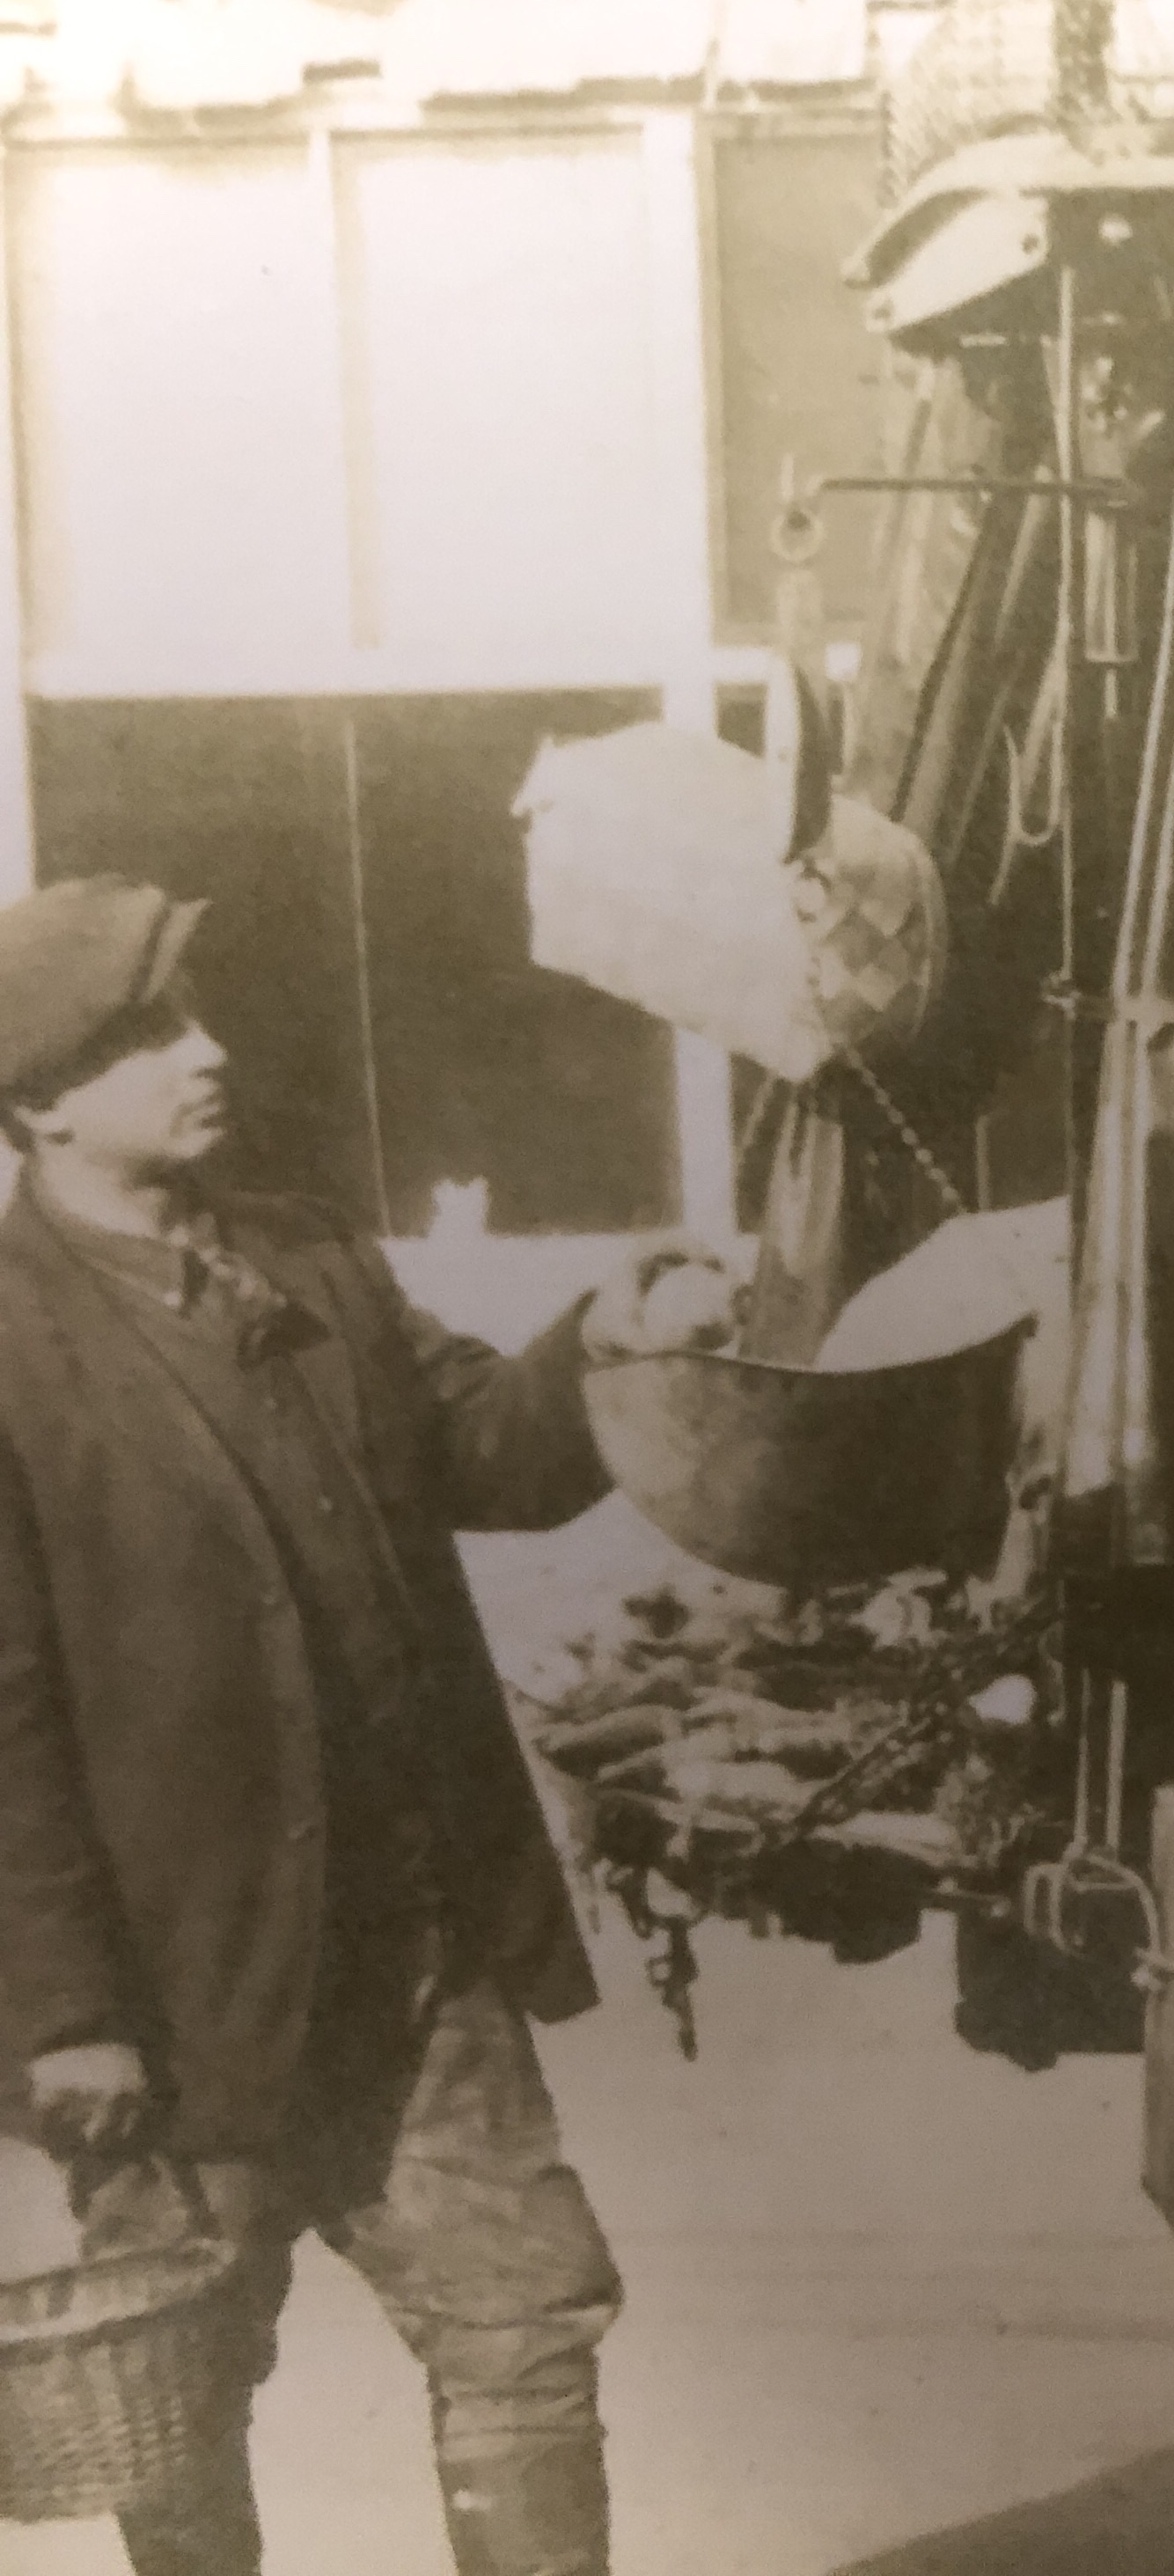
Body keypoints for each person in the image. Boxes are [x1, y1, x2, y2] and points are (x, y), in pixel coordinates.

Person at [0, 876, 713, 2576]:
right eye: (152, 1033)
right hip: (185, 1983)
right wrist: (70, 2014)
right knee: (177, 2375)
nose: (211, 1052)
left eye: (198, 1017)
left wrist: (603, 1343)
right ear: (39, 1098)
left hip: (418, 1938)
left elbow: (487, 1453)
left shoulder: (306, 1247)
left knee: (526, 2324)